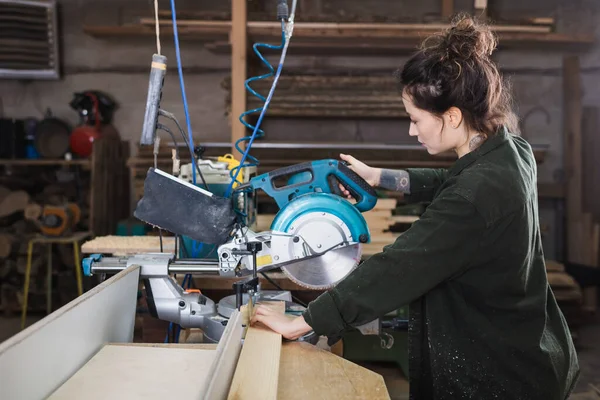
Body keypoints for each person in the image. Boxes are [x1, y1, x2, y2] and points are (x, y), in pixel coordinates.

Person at [251, 14, 580, 399]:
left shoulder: (473, 198)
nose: (412, 131)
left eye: (415, 119)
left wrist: (306, 321)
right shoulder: (510, 151)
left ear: (452, 116)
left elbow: (401, 265)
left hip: (499, 375)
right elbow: (454, 180)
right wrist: (382, 177)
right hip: (528, 342)